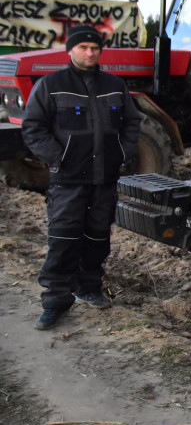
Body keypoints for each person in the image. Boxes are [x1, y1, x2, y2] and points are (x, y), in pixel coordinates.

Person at [22, 23, 141, 331]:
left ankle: (89, 287)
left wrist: (122, 152)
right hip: (68, 180)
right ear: (70, 50)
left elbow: (131, 123)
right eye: (83, 48)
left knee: (98, 236)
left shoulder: (114, 85)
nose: (90, 53)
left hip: (104, 179)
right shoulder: (51, 85)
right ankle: (55, 302)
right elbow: (33, 128)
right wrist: (58, 157)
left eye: (94, 48)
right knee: (63, 239)